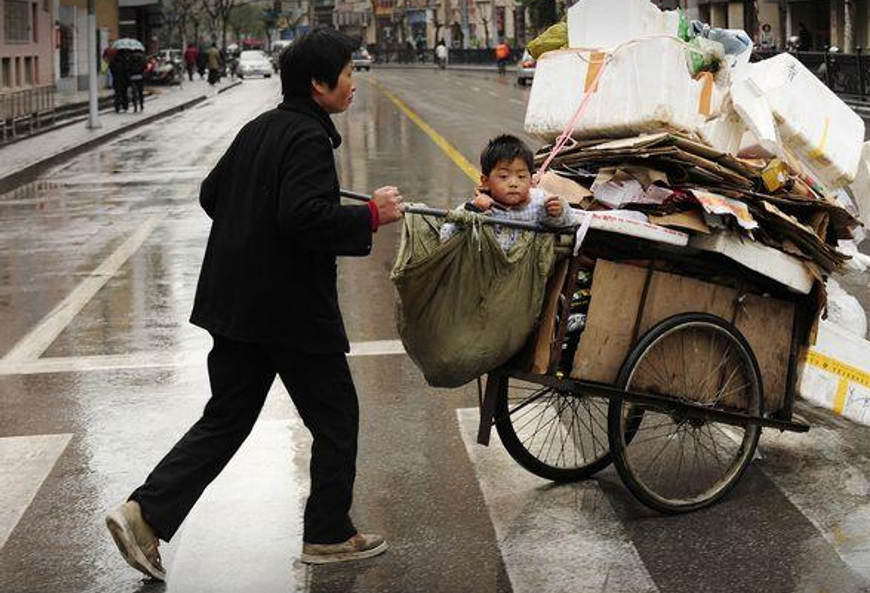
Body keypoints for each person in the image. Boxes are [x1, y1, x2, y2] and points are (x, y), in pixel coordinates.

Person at [104, 27, 406, 581]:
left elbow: (212, 194)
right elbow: (302, 217)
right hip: (288, 312)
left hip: (236, 305)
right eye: (347, 73)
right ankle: (330, 534)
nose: (354, 82)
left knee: (226, 419)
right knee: (337, 418)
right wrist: (370, 215)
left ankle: (144, 515)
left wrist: (255, 224)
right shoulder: (309, 139)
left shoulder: (260, 128)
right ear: (319, 84)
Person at [440, 134, 572, 252]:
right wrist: (474, 211)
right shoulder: (478, 206)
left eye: (521, 177)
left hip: (525, 271)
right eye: (503, 176)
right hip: (484, 270)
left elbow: (567, 223)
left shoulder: (540, 201)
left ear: (531, 180)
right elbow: (446, 237)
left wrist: (558, 212)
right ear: (485, 181)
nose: (513, 183)